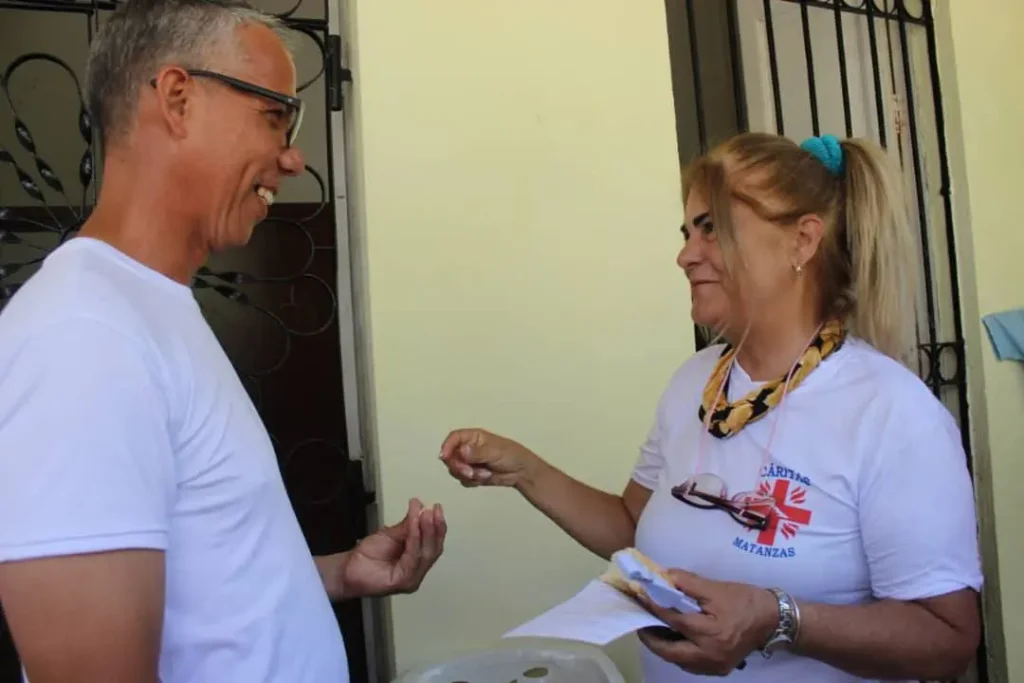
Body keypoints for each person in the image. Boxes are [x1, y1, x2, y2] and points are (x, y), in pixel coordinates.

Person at [0, 2, 446, 682]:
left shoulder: (148, 309)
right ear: (177, 98)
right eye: (277, 115)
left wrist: (336, 574)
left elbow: (201, 581)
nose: (293, 156)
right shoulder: (82, 335)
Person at [440, 132, 983, 681]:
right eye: (687, 231)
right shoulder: (695, 383)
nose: (684, 255)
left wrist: (780, 617)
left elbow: (948, 636)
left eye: (712, 229)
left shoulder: (891, 412)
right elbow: (634, 526)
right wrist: (527, 471)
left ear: (802, 242)